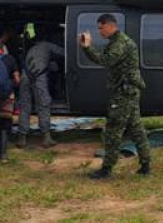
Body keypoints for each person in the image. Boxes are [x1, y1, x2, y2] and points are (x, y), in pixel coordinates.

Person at [80, 14, 151, 178]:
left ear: (111, 26)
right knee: (136, 128)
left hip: (123, 93)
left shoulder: (120, 43)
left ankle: (107, 168)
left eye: (101, 27)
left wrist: (87, 47)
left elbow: (105, 60)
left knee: (113, 130)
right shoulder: (118, 41)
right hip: (128, 91)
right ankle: (146, 164)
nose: (100, 31)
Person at [18, 25, 64, 149]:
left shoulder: (31, 47)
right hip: (39, 76)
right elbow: (65, 53)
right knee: (43, 104)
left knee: (25, 105)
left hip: (25, 75)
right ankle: (46, 138)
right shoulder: (48, 45)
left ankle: (22, 138)